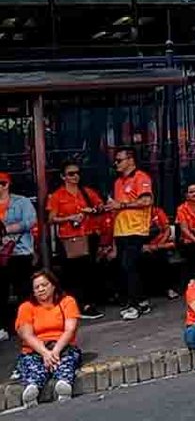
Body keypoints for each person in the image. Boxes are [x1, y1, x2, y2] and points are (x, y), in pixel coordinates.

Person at [46, 162, 105, 319]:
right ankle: (78, 305)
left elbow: (101, 206)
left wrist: (92, 210)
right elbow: (51, 219)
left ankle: (88, 303)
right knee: (73, 272)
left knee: (89, 270)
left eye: (77, 173)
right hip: (70, 237)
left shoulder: (86, 192)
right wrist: (69, 218)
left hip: (89, 233)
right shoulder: (58, 195)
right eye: (71, 174)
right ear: (63, 176)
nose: (75, 176)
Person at [15, 271, 82, 407]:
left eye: (44, 285)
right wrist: (45, 353)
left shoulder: (67, 301)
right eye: (37, 287)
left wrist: (55, 351)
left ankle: (63, 387)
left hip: (62, 346)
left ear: (53, 286)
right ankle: (32, 391)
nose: (41, 289)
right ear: (33, 291)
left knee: (66, 362)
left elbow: (70, 329)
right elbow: (27, 335)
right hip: (35, 349)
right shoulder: (26, 307)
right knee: (33, 367)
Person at [105, 147, 153, 320]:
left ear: (130, 160)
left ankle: (134, 305)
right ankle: (140, 301)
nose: (116, 163)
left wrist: (122, 205)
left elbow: (146, 200)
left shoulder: (141, 177)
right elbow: (117, 206)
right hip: (121, 229)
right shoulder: (118, 182)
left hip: (136, 229)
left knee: (129, 265)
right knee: (127, 267)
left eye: (119, 160)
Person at [0, 173, 37, 338]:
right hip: (1, 253)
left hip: (20, 252)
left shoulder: (21, 201)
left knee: (24, 290)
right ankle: (3, 327)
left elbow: (30, 221)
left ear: (5, 184)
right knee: (1, 292)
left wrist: (6, 229)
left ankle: (26, 325)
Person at [140, 205, 179, 301]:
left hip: (160, 245)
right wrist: (146, 246)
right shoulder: (135, 214)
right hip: (143, 246)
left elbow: (167, 229)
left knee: (162, 259)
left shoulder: (158, 211)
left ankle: (168, 288)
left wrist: (159, 244)